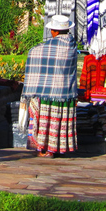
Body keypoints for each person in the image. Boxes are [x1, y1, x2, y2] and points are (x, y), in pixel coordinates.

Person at [22, 14, 79, 157]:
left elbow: (35, 53)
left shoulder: (44, 48)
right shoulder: (71, 46)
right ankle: (58, 147)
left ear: (54, 31)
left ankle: (46, 148)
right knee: (60, 120)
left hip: (48, 92)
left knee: (47, 119)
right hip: (65, 92)